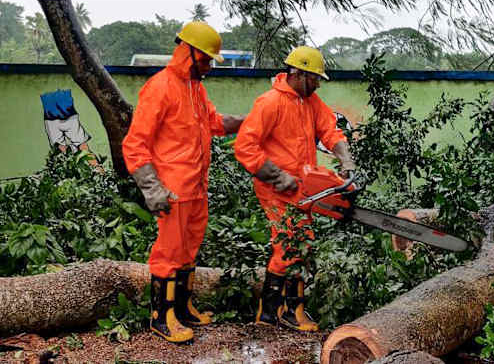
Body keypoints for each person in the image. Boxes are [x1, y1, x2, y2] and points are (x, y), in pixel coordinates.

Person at [122, 21, 245, 343]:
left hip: (196, 187)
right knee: (168, 252)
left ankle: (183, 307)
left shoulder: (195, 88)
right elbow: (135, 143)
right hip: (172, 189)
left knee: (188, 251)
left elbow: (214, 122)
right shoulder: (160, 87)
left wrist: (249, 123)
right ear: (188, 52)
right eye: (205, 59)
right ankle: (161, 317)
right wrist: (152, 188)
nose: (209, 66)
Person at [235, 45, 356, 332]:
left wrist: (345, 159)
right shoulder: (270, 103)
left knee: (303, 241)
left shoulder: (310, 102)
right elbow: (245, 147)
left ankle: (293, 309)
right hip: (276, 186)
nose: (317, 83)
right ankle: (270, 313)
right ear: (298, 73)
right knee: (288, 243)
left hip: (303, 185)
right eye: (314, 78)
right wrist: (277, 176)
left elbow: (330, 130)